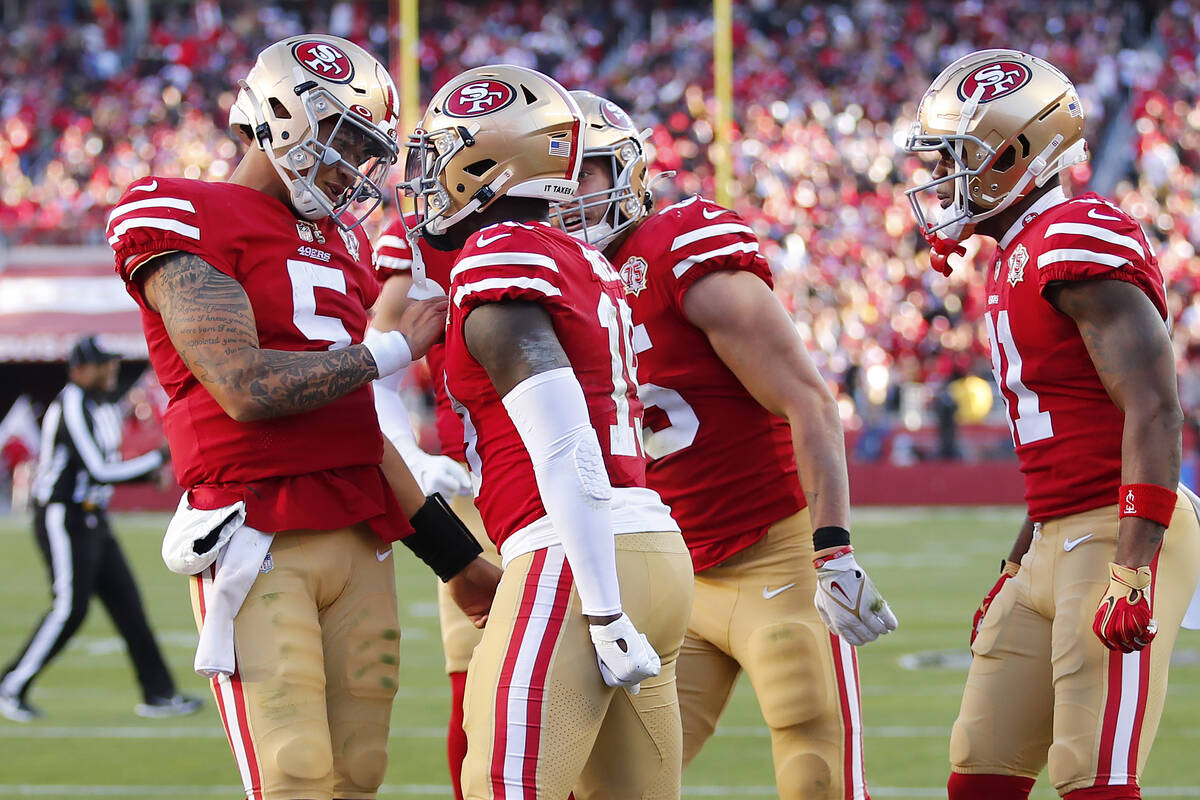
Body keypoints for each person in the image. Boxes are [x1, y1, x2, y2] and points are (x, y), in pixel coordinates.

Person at [105, 34, 500, 800]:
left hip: (361, 538)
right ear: (282, 115)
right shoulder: (182, 210)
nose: (353, 166)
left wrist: (457, 562)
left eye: (365, 150)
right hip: (257, 531)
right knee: (293, 771)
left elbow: (360, 432)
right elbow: (243, 385)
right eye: (343, 139)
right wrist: (390, 351)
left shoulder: (341, 239)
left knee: (360, 772)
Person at [551, 90, 897, 799]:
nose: (566, 196)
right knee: (610, 784)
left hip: (776, 555)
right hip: (671, 569)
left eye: (585, 173)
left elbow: (808, 398)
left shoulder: (675, 247)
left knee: (816, 772)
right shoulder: (554, 286)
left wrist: (833, 550)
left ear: (627, 172)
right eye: (553, 178)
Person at [905, 49, 1200, 800]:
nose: (942, 176)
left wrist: (1133, 567)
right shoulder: (1016, 254)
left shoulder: (1073, 235)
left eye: (957, 157)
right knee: (980, 770)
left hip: (1117, 531)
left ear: (1015, 153)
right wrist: (1016, 563)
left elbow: (1156, 406)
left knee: (1092, 779)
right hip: (1052, 538)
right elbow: (1060, 449)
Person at [404, 64, 693, 799]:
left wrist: (602, 606)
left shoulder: (502, 251)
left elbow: (565, 443)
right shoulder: (583, 258)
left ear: (488, 162)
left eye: (442, 156)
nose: (428, 178)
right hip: (654, 552)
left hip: (573, 556)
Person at [0, 335, 202, 723]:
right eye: (101, 363)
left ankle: (159, 694)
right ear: (79, 370)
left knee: (129, 605)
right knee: (69, 608)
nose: (111, 369)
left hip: (94, 517)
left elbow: (106, 468)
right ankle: (11, 684)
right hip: (65, 516)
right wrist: (157, 460)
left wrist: (146, 473)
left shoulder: (103, 405)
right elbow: (99, 470)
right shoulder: (72, 405)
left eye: (111, 362)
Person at [370, 216, 502, 800]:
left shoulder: (593, 229)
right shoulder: (424, 243)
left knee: (585, 693)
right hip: (476, 495)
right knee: (475, 692)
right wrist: (414, 461)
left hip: (587, 490)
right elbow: (374, 368)